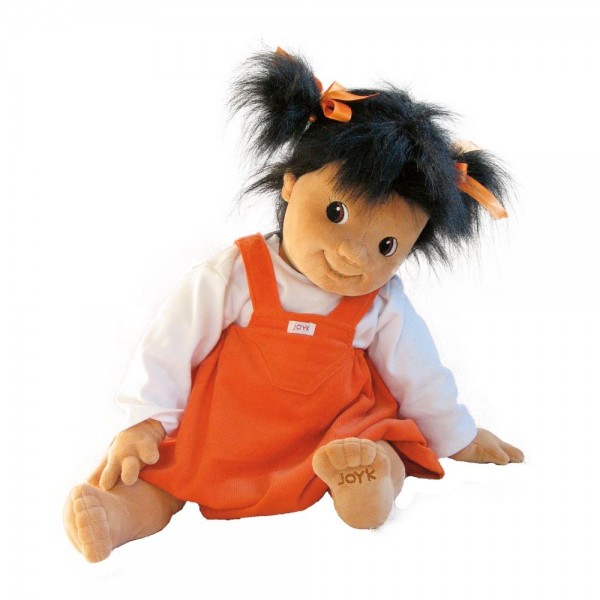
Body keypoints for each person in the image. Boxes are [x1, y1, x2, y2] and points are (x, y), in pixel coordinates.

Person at [64, 47, 524, 563]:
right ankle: (119, 515)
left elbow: (418, 370)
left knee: (387, 442)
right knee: (163, 468)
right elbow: (171, 341)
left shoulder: (382, 301)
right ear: (290, 183)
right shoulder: (236, 272)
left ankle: (369, 484)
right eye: (336, 212)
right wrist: (146, 419)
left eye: (387, 246)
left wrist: (457, 435)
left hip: (335, 435)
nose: (355, 257)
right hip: (228, 431)